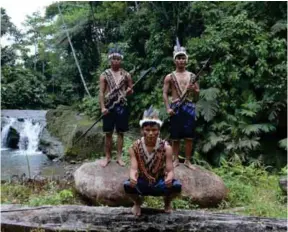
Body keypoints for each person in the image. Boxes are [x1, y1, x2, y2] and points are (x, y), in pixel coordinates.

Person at [124, 106, 182, 216]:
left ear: (159, 131)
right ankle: (137, 203)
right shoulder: (134, 147)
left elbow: (170, 170)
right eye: (147, 130)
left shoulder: (166, 147)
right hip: (142, 181)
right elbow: (133, 168)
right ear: (142, 131)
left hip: (159, 181)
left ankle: (167, 202)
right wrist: (132, 176)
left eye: (154, 130)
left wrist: (169, 178)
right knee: (127, 185)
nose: (151, 133)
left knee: (176, 186)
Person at [163, 38, 200, 169]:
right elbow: (164, 94)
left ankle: (188, 160)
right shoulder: (169, 77)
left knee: (189, 136)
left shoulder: (192, 76)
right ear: (174, 60)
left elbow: (197, 94)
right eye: (178, 58)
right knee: (175, 136)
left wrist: (194, 89)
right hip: (176, 106)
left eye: (183, 58)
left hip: (189, 107)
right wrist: (168, 108)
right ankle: (176, 159)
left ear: (186, 60)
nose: (181, 61)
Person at [99, 45, 133, 167]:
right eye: (114, 58)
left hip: (122, 106)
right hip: (109, 106)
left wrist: (129, 91)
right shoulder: (104, 75)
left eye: (118, 59)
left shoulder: (126, 74)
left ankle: (119, 157)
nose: (116, 61)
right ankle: (107, 156)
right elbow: (101, 93)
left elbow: (131, 89)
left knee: (120, 132)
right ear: (110, 60)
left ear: (121, 60)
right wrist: (102, 107)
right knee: (108, 133)